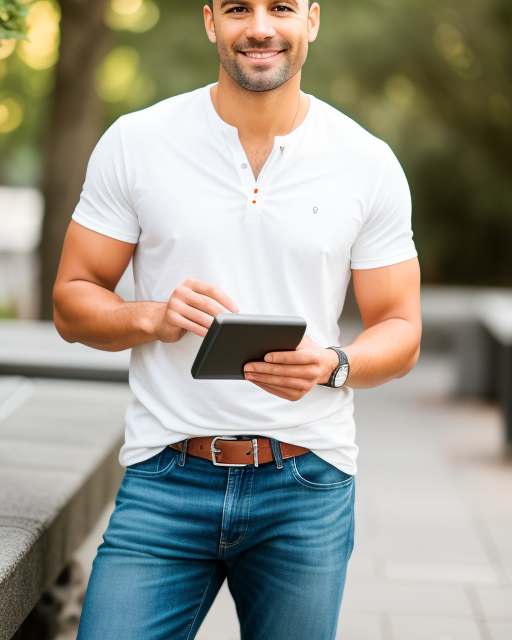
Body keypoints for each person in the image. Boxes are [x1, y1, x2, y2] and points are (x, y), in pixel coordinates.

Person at [53, 1, 422, 638]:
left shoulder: (367, 161)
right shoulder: (138, 141)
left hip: (306, 483)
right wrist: (150, 316)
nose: (259, 27)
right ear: (209, 20)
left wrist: (335, 366)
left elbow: (402, 328)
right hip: (165, 478)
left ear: (311, 19)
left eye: (280, 7)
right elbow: (72, 299)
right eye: (237, 8)